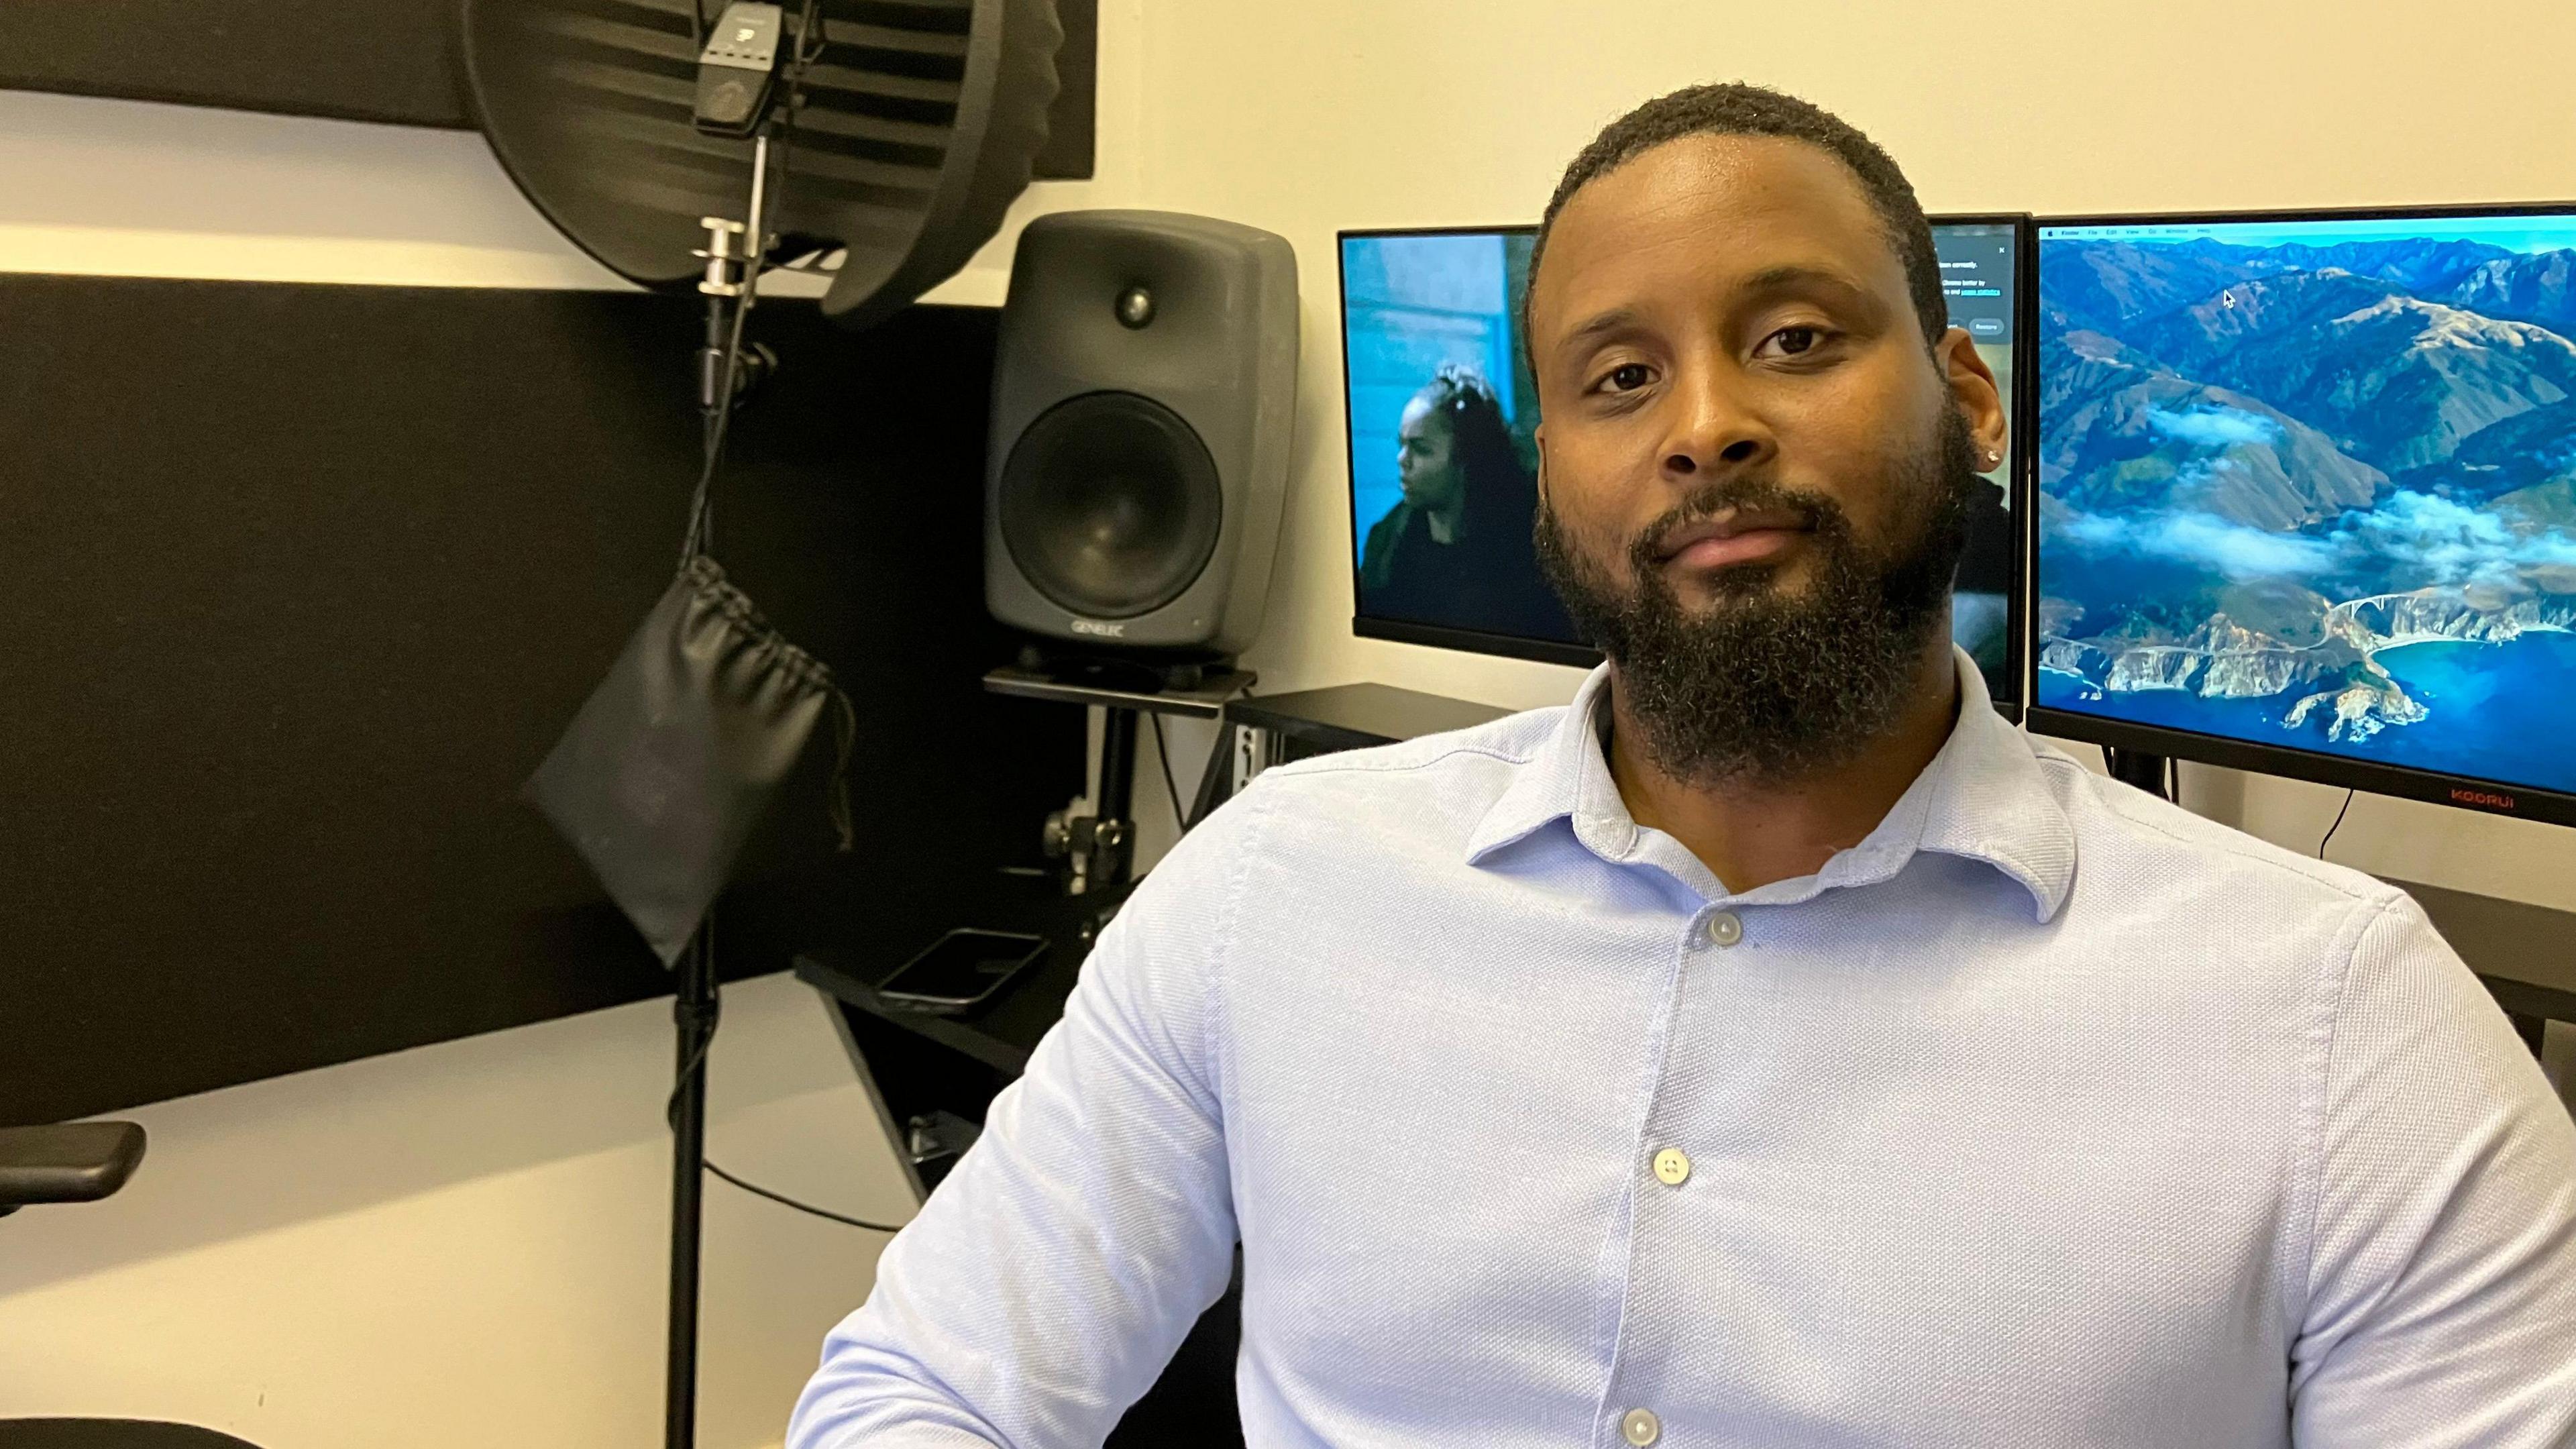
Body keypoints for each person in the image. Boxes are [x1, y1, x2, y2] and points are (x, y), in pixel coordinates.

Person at [790, 84, 2576, 1448]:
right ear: (1547, 466)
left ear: (1969, 398)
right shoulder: (1274, 888)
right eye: (1618, 374)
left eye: (1795, 339)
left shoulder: (2343, 1023)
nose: (1707, 421)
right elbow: (926, 1386)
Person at [1357, 363, 1574, 641]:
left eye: (1421, 449)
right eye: (1402, 444)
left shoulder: (1526, 542)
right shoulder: (1389, 541)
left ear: (1466, 456)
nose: (1403, 460)